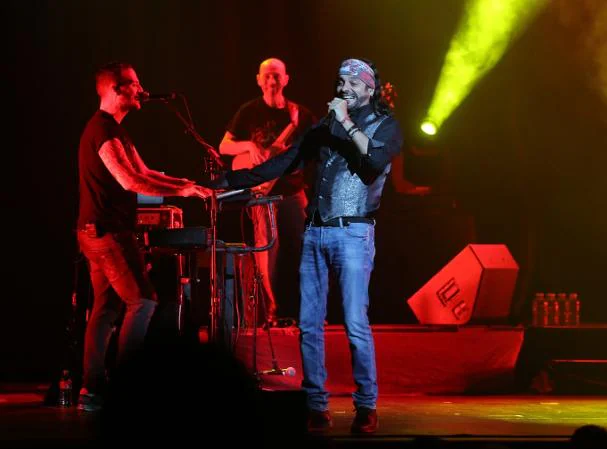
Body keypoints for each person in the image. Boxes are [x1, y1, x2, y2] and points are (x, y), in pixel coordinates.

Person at [210, 57, 403, 433]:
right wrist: (225, 183)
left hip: (353, 233)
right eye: (341, 82)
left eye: (352, 83)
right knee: (309, 325)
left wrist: (345, 122)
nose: (343, 89)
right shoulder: (324, 128)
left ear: (368, 91)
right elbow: (283, 162)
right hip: (317, 231)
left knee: (355, 321)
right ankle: (316, 405)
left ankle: (366, 407)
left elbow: (372, 163)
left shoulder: (385, 127)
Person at [76, 61, 213, 411]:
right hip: (107, 234)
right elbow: (130, 181)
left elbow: (144, 171)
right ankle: (124, 387)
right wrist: (182, 194)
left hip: (96, 232)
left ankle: (92, 391)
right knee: (144, 301)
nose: (141, 89)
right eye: (134, 83)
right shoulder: (101, 130)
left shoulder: (115, 130)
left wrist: (185, 185)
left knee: (106, 308)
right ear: (114, 89)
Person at [219, 57, 315, 325]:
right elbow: (224, 147)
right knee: (267, 252)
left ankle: (305, 312)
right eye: (267, 76)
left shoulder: (301, 115)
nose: (272, 81)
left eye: (277, 76)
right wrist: (249, 146)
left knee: (306, 250)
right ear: (259, 80)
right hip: (263, 193)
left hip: (293, 192)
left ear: (286, 80)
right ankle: (268, 311)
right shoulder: (248, 112)